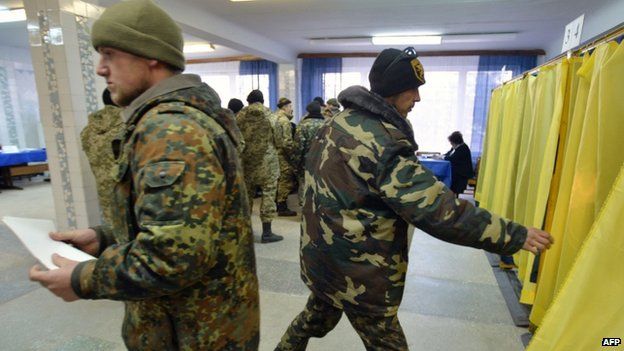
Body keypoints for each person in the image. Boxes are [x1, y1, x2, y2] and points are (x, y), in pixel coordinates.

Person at [275, 47, 554, 351]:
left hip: (322, 256)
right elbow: (437, 210)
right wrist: (512, 235)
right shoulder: (384, 141)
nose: (417, 98)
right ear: (394, 90)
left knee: (314, 318)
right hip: (360, 270)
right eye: (412, 90)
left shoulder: (337, 122)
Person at [28, 1, 260, 349]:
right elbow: (187, 226)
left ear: (149, 54)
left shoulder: (170, 130)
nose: (100, 69)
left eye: (109, 54)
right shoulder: (174, 119)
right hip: (196, 323)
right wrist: (104, 238)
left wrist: (83, 279)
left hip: (193, 332)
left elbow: (172, 257)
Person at [236, 89, 284, 243]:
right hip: (267, 163)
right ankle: (267, 232)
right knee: (269, 195)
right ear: (263, 101)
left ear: (248, 101)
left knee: (246, 197)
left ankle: (245, 232)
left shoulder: (240, 116)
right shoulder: (271, 116)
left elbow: (235, 139)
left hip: (246, 163)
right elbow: (280, 140)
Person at [80, 88, 124, 226]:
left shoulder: (88, 131)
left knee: (113, 230)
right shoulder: (129, 126)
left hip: (104, 192)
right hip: (127, 192)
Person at [293, 101, 325, 204]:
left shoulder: (303, 125)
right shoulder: (327, 124)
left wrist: (296, 163)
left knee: (304, 184)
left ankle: (304, 210)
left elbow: (298, 146)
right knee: (320, 184)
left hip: (306, 161)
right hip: (323, 160)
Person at [274, 97, 297, 216]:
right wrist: (293, 156)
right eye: (290, 107)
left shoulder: (273, 117)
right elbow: (287, 143)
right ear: (285, 107)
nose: (291, 109)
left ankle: (275, 202)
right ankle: (282, 206)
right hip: (282, 155)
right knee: (285, 179)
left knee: (277, 179)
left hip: (273, 154)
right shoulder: (285, 121)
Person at [444, 131, 475, 196]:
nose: (451, 144)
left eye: (452, 143)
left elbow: (452, 158)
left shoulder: (463, 148)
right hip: (458, 170)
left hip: (462, 173)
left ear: (456, 142)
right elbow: (448, 154)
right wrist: (442, 156)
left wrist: (443, 158)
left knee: (448, 176)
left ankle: (451, 194)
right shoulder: (456, 146)